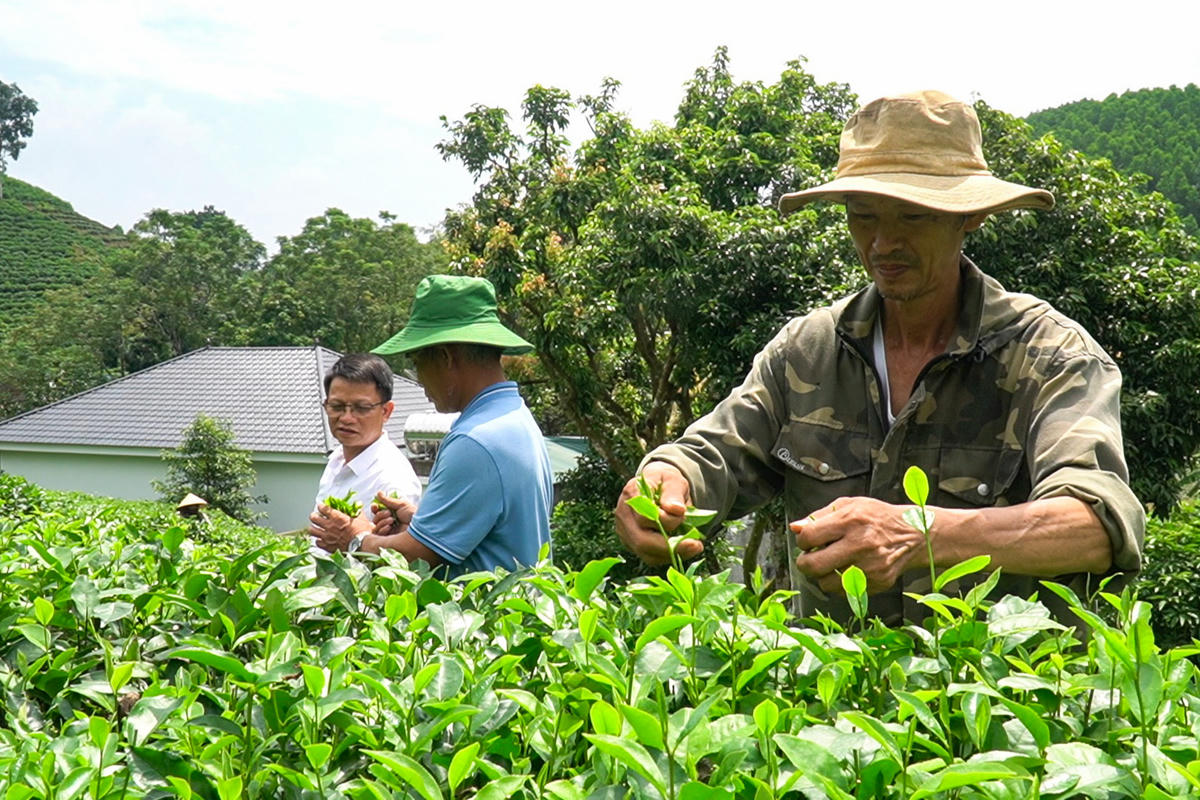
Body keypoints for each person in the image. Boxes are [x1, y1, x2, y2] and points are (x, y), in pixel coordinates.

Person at [614, 90, 1145, 624]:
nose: (883, 242)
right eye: (863, 215)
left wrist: (919, 534)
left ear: (971, 216)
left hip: (996, 677)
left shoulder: (1050, 356)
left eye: (913, 215)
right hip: (836, 678)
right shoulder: (808, 352)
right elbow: (715, 452)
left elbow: (1096, 525)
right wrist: (665, 482)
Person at [312, 275, 554, 578]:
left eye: (417, 362)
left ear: (444, 357)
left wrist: (355, 538)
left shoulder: (475, 441)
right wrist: (421, 523)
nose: (419, 379)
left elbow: (419, 557)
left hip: (485, 609)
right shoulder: (513, 417)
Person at [309, 353, 422, 554]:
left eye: (361, 408)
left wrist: (364, 541)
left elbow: (396, 562)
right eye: (337, 406)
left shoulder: (393, 479)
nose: (346, 418)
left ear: (386, 411)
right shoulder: (337, 459)